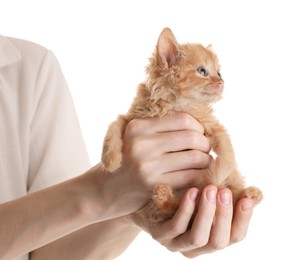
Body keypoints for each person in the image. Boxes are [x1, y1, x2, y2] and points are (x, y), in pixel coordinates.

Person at [0, 35, 255, 260]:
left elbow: (47, 251)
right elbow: (89, 192)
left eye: (217, 73)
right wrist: (98, 192)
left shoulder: (31, 66)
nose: (218, 80)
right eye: (202, 71)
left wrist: (126, 208)